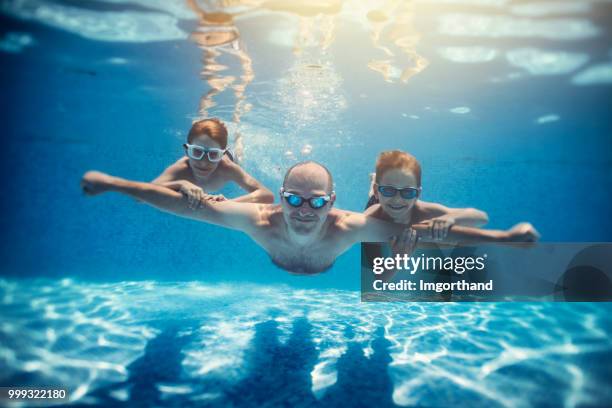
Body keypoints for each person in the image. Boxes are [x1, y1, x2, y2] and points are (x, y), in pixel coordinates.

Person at [81, 161, 539, 275]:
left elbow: (422, 233)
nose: (304, 211)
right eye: (294, 200)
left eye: (317, 202)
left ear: (333, 202)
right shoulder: (258, 219)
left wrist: (503, 237)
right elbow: (188, 206)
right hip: (280, 257)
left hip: (328, 257)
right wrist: (114, 184)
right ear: (279, 198)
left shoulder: (351, 226)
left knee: (405, 233)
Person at [364, 150, 539, 256]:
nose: (397, 199)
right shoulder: (369, 218)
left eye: (408, 192)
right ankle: (373, 185)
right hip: (378, 207)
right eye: (388, 191)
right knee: (374, 198)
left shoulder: (425, 211)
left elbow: (481, 218)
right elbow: (376, 277)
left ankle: (378, 184)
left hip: (391, 208)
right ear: (381, 191)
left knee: (434, 234)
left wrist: (451, 219)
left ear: (418, 194)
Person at [153, 118, 273, 205]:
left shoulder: (228, 168)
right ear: (187, 151)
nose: (204, 162)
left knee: (239, 155)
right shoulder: (182, 167)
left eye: (213, 155)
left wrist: (227, 203)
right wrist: (181, 184)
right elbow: (146, 191)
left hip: (230, 157)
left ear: (221, 155)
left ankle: (238, 137)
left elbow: (266, 195)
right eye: (197, 152)